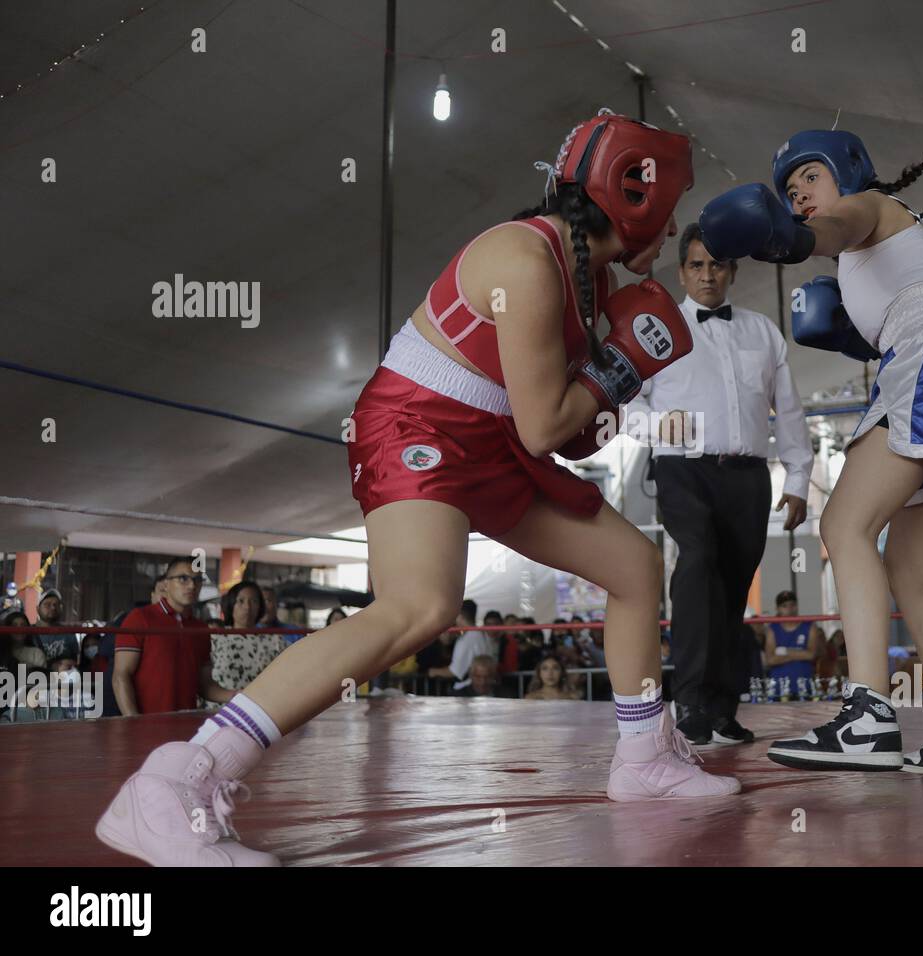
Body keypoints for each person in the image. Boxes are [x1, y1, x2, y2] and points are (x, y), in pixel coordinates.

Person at [96, 111, 739, 868]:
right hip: (418, 425)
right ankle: (179, 780)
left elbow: (572, 434)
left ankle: (643, 760)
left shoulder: (590, 280)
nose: (673, 237)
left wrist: (614, 373)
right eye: (668, 212)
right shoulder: (526, 261)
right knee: (420, 607)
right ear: (636, 200)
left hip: (493, 441)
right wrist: (621, 365)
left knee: (634, 567)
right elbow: (548, 428)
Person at [705, 127, 923, 775]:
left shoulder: (867, 208)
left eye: (808, 180)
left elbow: (831, 230)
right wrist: (852, 334)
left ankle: (869, 718)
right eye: (789, 193)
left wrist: (779, 237)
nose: (798, 197)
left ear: (847, 172)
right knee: (910, 572)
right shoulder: (869, 263)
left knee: (843, 524)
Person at [624, 221, 813, 748]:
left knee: (732, 591)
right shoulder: (656, 329)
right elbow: (626, 400)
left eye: (717, 265)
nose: (708, 275)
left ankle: (721, 708)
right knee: (698, 560)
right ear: (681, 270)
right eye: (696, 265)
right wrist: (659, 427)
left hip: (749, 475)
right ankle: (687, 701)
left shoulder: (762, 331)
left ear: (733, 269)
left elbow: (790, 410)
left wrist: (798, 476)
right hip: (682, 467)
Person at [112, 558, 235, 715]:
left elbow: (205, 685)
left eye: (197, 580)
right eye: (183, 579)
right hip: (146, 725)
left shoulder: (201, 629)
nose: (192, 585)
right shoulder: (140, 618)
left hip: (185, 726)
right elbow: (121, 676)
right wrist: (133, 721)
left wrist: (237, 695)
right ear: (166, 584)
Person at [210, 581, 286, 693]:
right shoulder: (215, 639)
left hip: (259, 707)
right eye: (241, 601)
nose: (247, 607)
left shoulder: (275, 641)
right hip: (220, 708)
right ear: (231, 605)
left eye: (254, 601)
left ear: (260, 607)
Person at [763, 590, 824, 704]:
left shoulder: (809, 625)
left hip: (804, 687)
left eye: (792, 605)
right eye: (784, 606)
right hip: (778, 689)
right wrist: (800, 653)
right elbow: (770, 660)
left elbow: (811, 655)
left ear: (796, 606)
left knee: (808, 720)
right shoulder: (772, 628)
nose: (789, 609)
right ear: (778, 609)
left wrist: (784, 651)